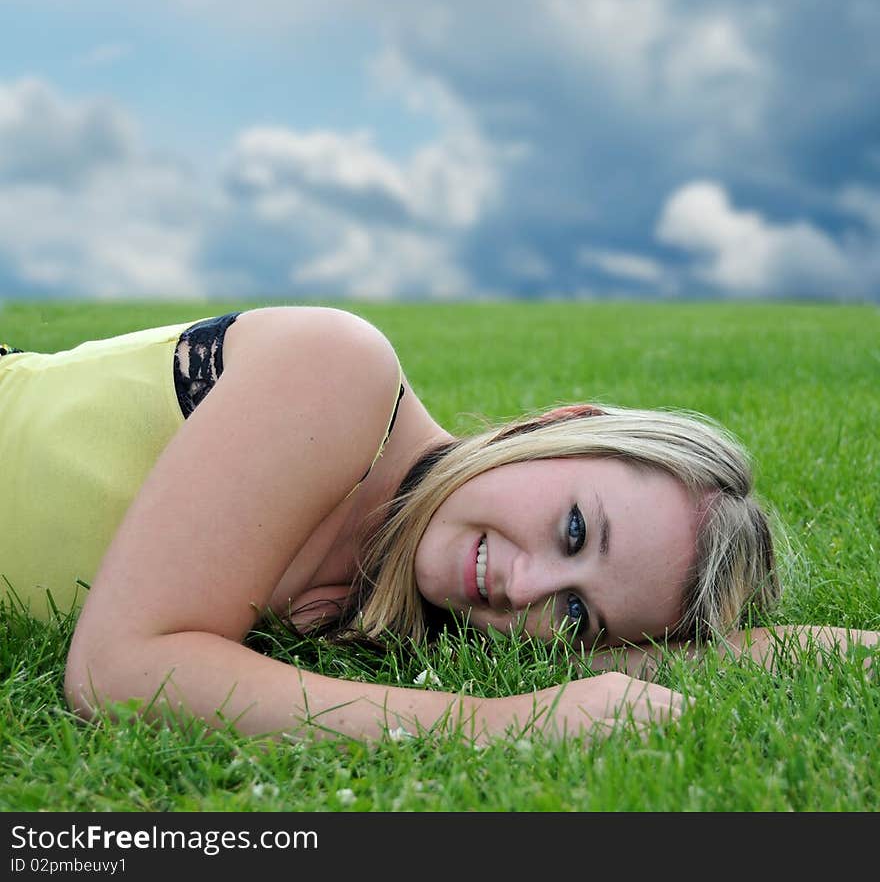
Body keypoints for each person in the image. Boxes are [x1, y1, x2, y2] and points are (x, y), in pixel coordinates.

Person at [0, 306, 874, 745]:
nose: (526, 587)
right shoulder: (339, 373)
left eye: (574, 614)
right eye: (574, 530)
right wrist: (506, 723)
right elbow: (118, 672)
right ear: (554, 426)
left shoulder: (407, 609)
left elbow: (640, 665)